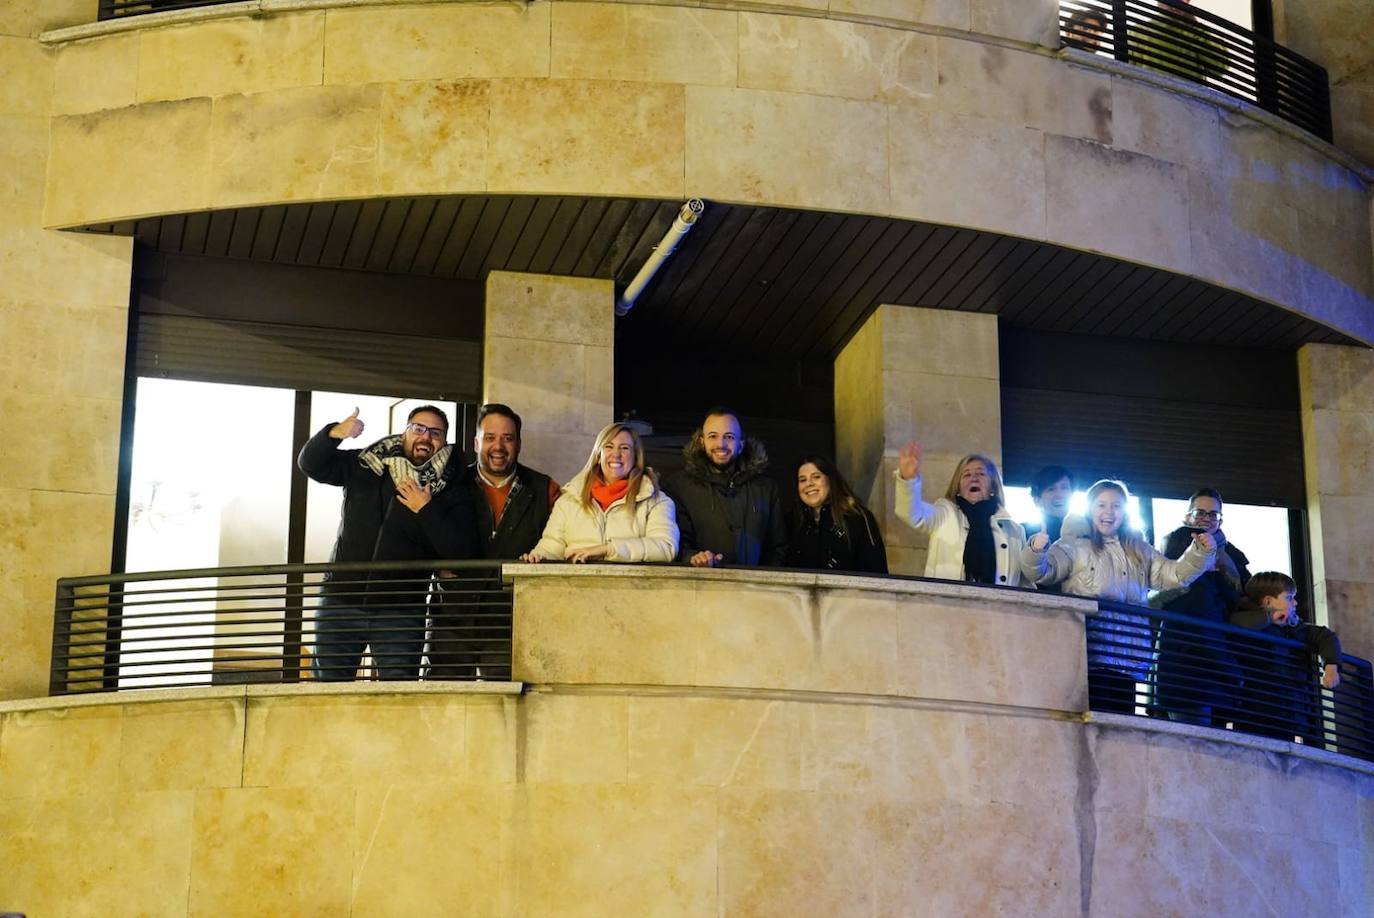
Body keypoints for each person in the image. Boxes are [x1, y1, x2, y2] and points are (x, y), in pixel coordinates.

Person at [374, 403, 559, 679]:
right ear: (476, 442)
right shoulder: (447, 484)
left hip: (510, 622)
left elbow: (565, 536)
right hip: (452, 619)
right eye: (490, 437)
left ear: (519, 443)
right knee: (443, 703)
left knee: (504, 707)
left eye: (507, 438)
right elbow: (422, 536)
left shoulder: (545, 489)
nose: (499, 446)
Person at [1022, 479, 1215, 713]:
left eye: (1116, 506)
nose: (1108, 512)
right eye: (1101, 505)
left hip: (1129, 659)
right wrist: (1036, 550)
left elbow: (1172, 575)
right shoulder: (1073, 546)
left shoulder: (1138, 548)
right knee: (1093, 728)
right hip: (1090, 657)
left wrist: (1200, 553)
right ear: (1090, 509)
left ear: (1124, 512)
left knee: (1121, 732)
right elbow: (1043, 572)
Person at [298, 405, 456, 680]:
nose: (425, 437)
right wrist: (335, 433)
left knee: (397, 698)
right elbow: (310, 464)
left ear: (443, 441)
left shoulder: (450, 484)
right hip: (340, 601)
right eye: (418, 428)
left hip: (401, 610)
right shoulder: (365, 463)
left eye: (435, 433)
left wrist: (428, 509)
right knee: (325, 696)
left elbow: (453, 543)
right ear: (405, 432)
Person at [1151, 488, 1250, 724]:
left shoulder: (1233, 555)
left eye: (1212, 514)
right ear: (1188, 518)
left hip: (1215, 666)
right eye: (1200, 513)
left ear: (1220, 520)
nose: (1206, 519)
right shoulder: (1174, 548)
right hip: (1190, 668)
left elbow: (1246, 593)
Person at [521, 422, 679, 563]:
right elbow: (552, 545)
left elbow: (666, 547)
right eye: (609, 447)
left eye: (624, 448)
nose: (616, 454)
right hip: (575, 591)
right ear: (598, 455)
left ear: (636, 457)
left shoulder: (657, 501)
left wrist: (608, 549)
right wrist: (538, 556)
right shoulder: (568, 500)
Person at [664, 408, 788, 568]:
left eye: (729, 437)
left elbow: (778, 547)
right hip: (700, 586)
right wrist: (693, 558)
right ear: (702, 442)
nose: (720, 444)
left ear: (741, 445)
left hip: (755, 590)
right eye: (713, 436)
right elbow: (676, 542)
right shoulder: (679, 486)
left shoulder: (766, 489)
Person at [1229, 571, 1342, 744]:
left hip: (1287, 714)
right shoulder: (1240, 620)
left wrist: (1331, 665)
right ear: (1268, 601)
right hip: (1254, 713)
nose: (1295, 602)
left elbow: (1325, 636)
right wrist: (1269, 618)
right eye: (1289, 597)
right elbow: (1237, 625)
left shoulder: (1293, 626)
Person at [893, 440, 1025, 585]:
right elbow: (912, 514)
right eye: (966, 475)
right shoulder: (945, 514)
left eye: (981, 474)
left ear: (993, 486)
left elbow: (1026, 584)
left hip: (998, 606)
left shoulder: (1014, 531)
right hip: (951, 605)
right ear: (959, 488)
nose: (974, 478)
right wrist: (908, 480)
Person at [787, 456, 888, 575]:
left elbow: (876, 572)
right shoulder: (791, 522)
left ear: (830, 480)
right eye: (802, 480)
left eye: (816, 477)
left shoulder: (858, 518)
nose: (809, 484)